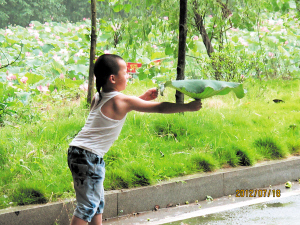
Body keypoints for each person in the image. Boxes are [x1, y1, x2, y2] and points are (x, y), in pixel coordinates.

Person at [67, 54, 202, 225]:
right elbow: (160, 107)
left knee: (96, 203)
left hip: (78, 151)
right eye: (125, 72)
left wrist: (142, 98)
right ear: (113, 78)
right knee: (87, 206)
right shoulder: (120, 100)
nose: (129, 75)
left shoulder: (99, 97)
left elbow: (122, 108)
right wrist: (187, 107)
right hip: (89, 156)